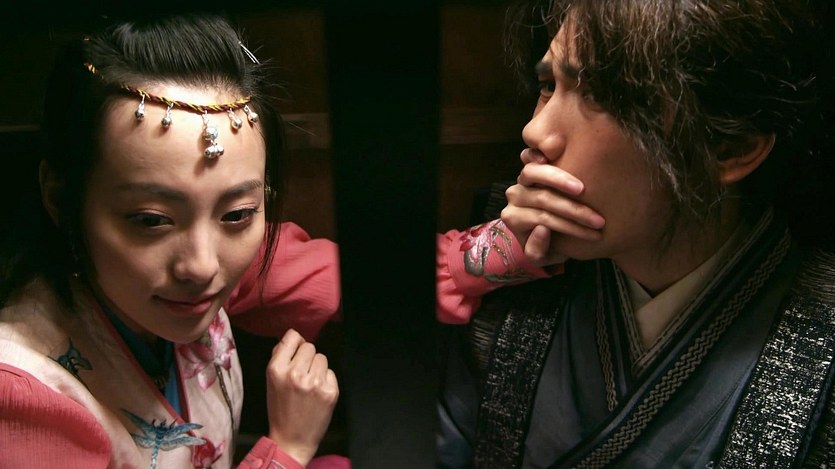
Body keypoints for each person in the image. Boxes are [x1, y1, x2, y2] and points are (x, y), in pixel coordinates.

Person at [0, 8, 608, 469]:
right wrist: (287, 448)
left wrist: (516, 242)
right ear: (60, 197)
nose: (203, 265)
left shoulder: (222, 267)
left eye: (237, 213)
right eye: (152, 220)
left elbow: (371, 279)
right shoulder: (25, 401)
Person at [437, 0, 835, 467]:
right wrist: (475, 263)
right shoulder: (504, 264)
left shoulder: (818, 334)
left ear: (729, 148)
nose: (535, 131)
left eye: (603, 95)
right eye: (548, 86)